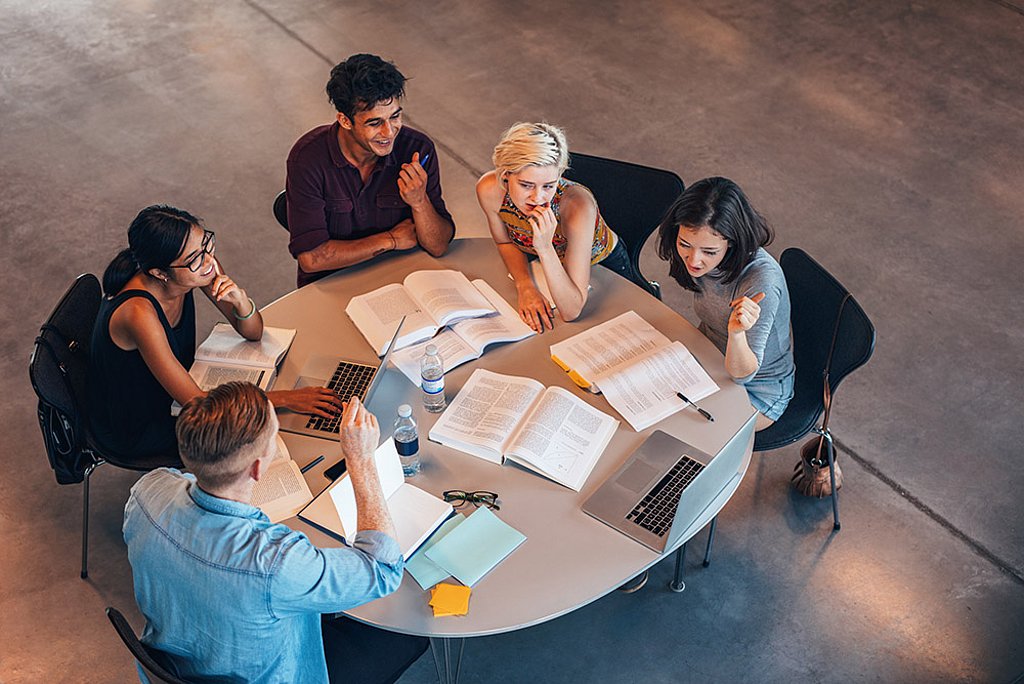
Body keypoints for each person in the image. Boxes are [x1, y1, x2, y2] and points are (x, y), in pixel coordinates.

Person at [123, 383, 427, 683]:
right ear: (257, 469)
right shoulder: (275, 563)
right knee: (409, 632)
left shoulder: (146, 492)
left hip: (180, 664)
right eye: (274, 437)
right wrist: (361, 460)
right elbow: (384, 569)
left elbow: (182, 482)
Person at [89, 205, 340, 462]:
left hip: (177, 388)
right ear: (160, 273)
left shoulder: (198, 267)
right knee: (259, 438)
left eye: (206, 244)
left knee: (272, 413)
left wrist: (241, 301)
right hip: (141, 422)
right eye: (194, 258)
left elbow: (253, 332)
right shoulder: (139, 314)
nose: (208, 261)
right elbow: (196, 403)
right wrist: (287, 398)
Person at [286, 53, 455, 287]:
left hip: (402, 279)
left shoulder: (416, 149)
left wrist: (419, 201)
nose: (389, 132)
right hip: (334, 285)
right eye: (375, 123)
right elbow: (312, 259)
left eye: (395, 117)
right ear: (345, 121)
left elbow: (438, 245)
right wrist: (391, 240)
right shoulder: (308, 159)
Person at [657, 177, 794, 430]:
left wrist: (737, 334)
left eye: (709, 251)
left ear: (731, 242)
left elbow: (743, 374)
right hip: (708, 362)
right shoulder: (697, 259)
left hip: (756, 392)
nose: (694, 260)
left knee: (678, 428)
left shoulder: (761, 279)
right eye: (685, 244)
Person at [476, 122, 631, 332]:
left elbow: (571, 311)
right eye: (526, 185)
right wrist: (525, 286)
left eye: (549, 186)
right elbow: (504, 241)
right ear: (505, 174)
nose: (538, 197)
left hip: (603, 268)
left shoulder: (578, 207)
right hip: (545, 264)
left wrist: (545, 247)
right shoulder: (489, 191)